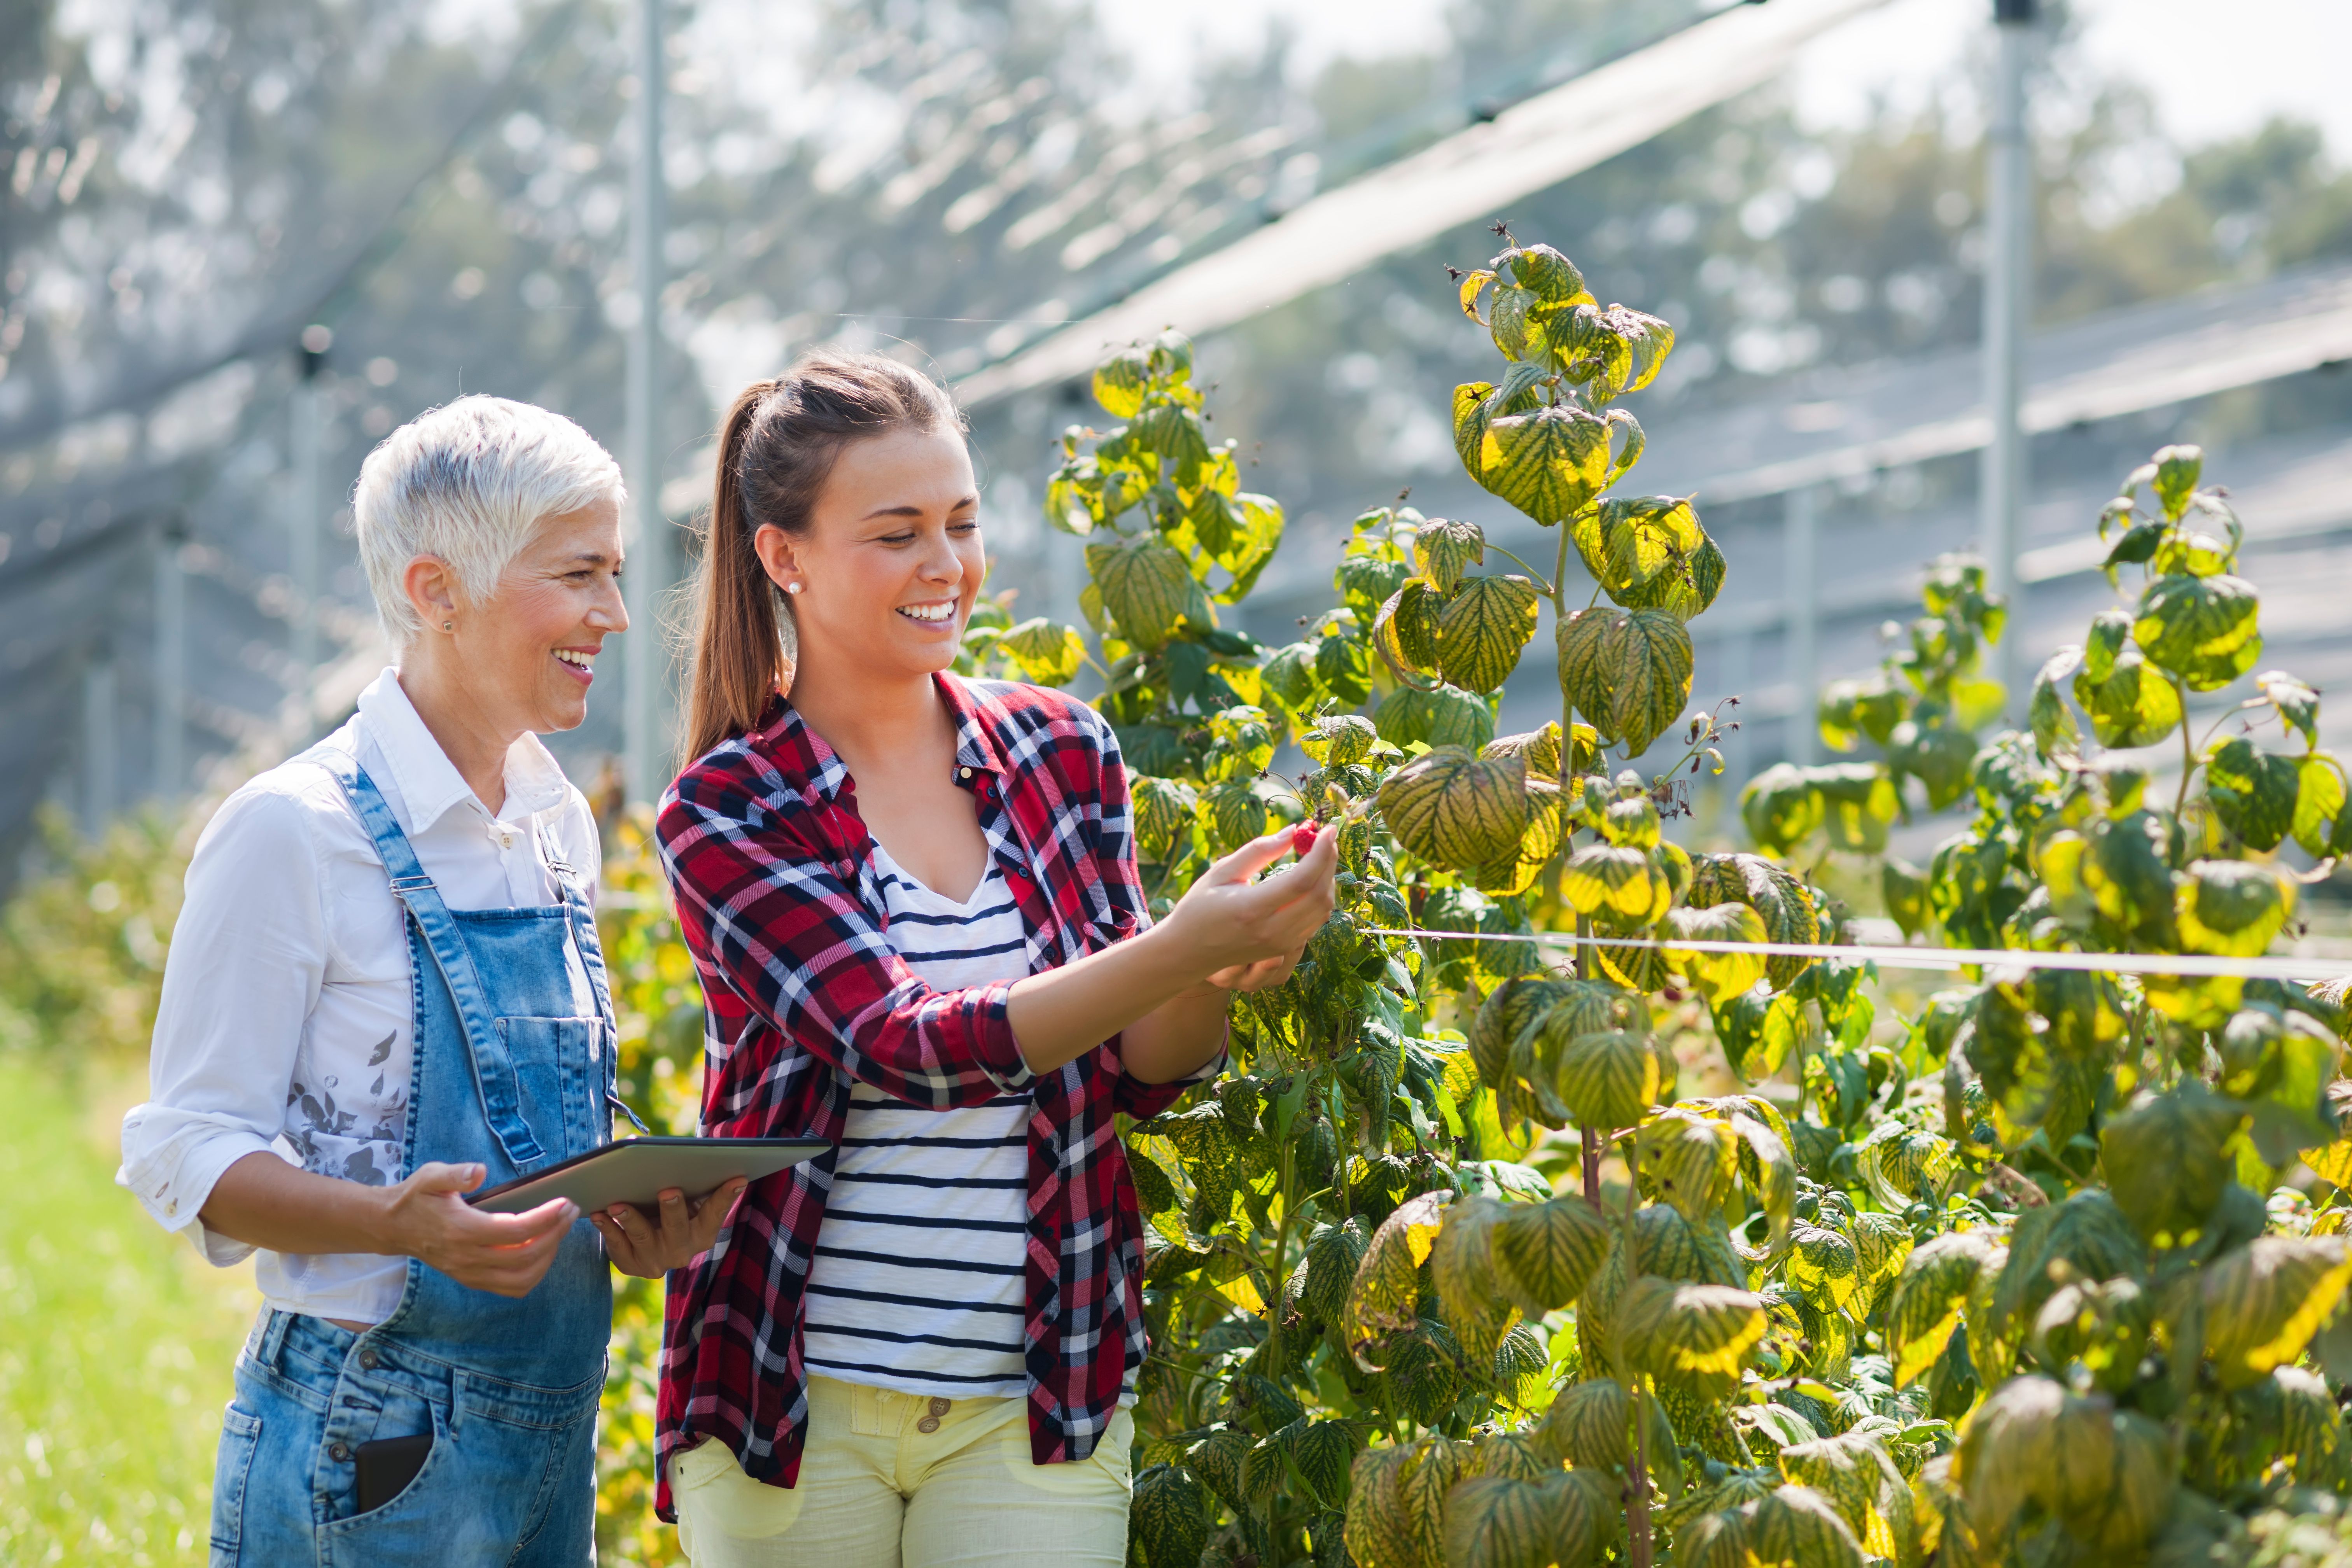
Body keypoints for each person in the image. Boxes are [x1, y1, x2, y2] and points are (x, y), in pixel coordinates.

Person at [653, 351, 1337, 1567]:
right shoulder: (730, 809)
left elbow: (1139, 1074)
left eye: (963, 523)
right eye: (898, 531)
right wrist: (1177, 946)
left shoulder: (1065, 754)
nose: (946, 566)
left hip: (1037, 1394)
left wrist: (1205, 967)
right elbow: (905, 1048)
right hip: (795, 1399)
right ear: (783, 557)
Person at [119, 396, 740, 1564]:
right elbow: (189, 1153)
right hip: (370, 1436)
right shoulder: (293, 832)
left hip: (550, 1431)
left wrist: (625, 1217)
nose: (613, 613)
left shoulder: (558, 822)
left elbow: (514, 1114)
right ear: (435, 590)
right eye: (578, 574)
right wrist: (390, 1227)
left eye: (615, 572)